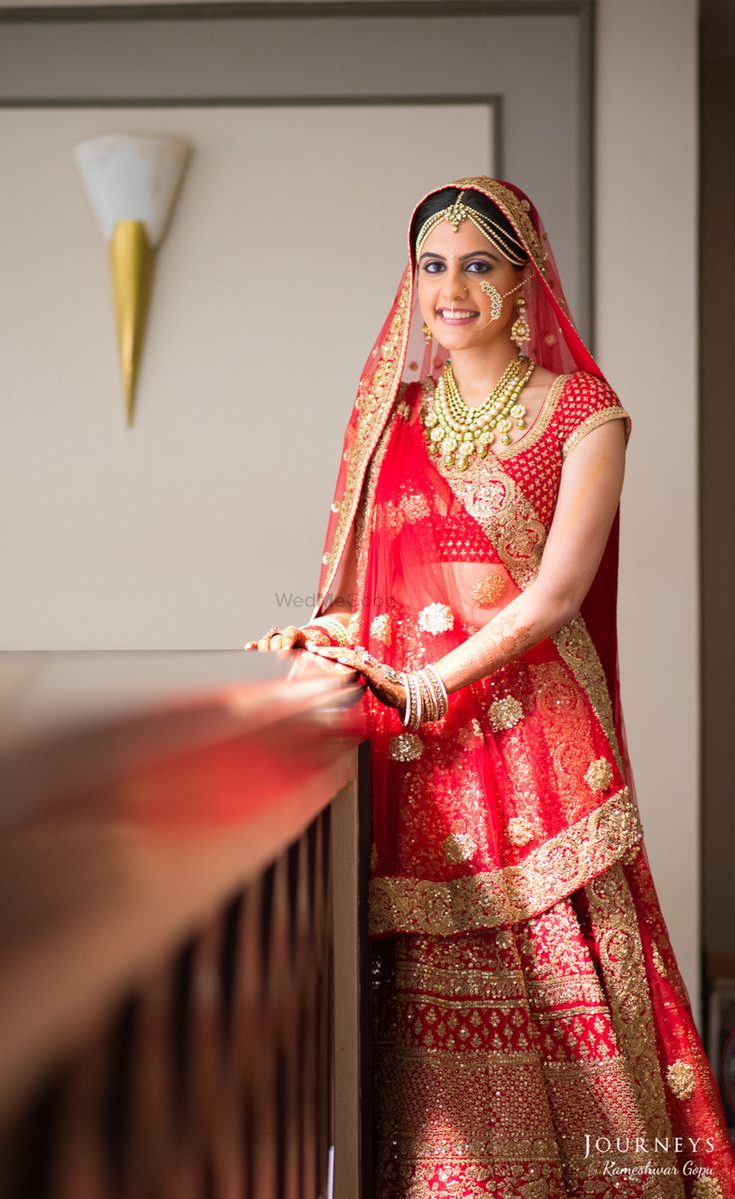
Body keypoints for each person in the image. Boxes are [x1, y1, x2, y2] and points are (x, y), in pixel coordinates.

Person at [245, 176, 735, 1197]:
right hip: (427, 763)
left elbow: (554, 595)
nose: (450, 287)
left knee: (566, 986)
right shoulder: (398, 415)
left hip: (537, 753)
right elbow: (369, 583)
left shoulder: (585, 415)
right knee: (426, 1004)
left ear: (522, 278)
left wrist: (424, 688)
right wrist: (325, 630)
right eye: (432, 264)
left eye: (477, 263)